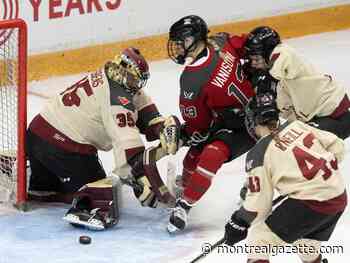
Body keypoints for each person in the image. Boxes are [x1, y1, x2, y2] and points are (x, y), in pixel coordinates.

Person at [26, 47, 171, 230]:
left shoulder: (113, 76)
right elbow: (128, 148)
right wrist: (140, 179)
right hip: (62, 149)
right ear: (125, 72)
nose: (136, 84)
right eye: (134, 79)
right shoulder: (117, 99)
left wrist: (160, 125)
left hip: (35, 135)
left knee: (49, 185)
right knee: (101, 192)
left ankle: (41, 182)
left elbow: (141, 102)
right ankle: (83, 209)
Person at [223, 93, 347, 263]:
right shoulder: (297, 126)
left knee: (259, 239)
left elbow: (259, 204)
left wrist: (239, 222)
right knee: (305, 242)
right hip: (338, 195)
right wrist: (316, 177)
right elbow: (338, 146)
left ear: (254, 122)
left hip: (312, 203)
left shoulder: (258, 153)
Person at [161, 15, 256, 233]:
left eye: (180, 41)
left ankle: (184, 201)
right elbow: (250, 45)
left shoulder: (190, 80)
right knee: (199, 151)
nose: (176, 47)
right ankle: (186, 188)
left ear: (193, 39)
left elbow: (198, 125)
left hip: (258, 117)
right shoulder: (221, 41)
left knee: (207, 152)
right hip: (239, 122)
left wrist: (189, 133)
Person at [243, 26, 350, 140]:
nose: (253, 64)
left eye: (257, 59)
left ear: (268, 51)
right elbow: (288, 113)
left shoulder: (284, 52)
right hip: (321, 117)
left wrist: (264, 94)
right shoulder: (280, 84)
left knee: (302, 140)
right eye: (252, 60)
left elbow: (274, 72)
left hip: (337, 114)